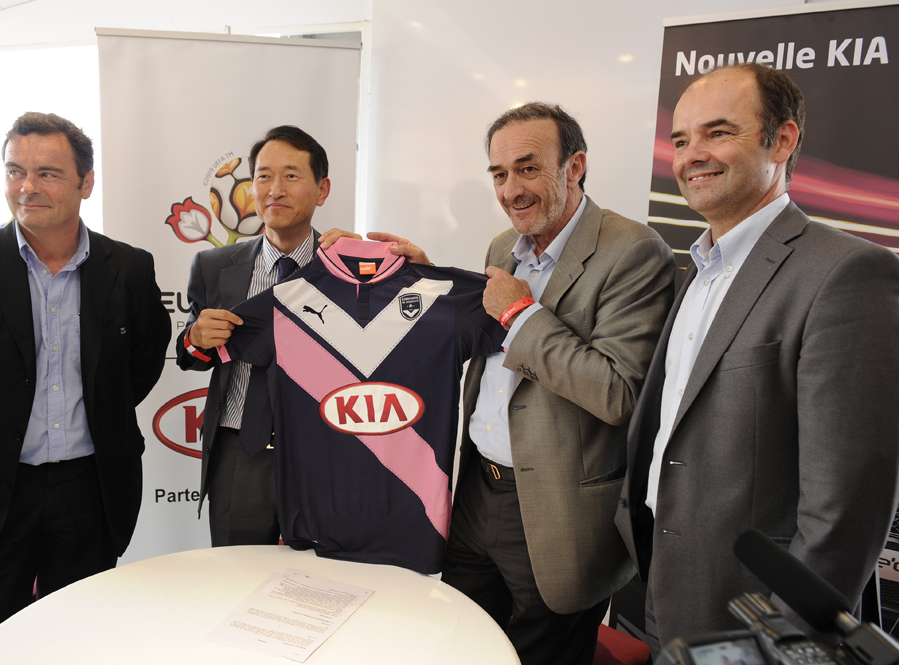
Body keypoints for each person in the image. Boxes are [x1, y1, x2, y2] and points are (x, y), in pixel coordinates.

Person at [614, 63, 899, 652]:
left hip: (753, 610)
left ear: (783, 140)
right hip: (660, 577)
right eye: (681, 140)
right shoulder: (696, 267)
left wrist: (784, 639)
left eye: (718, 132)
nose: (692, 155)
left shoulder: (847, 273)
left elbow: (846, 506)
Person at [380, 102, 675, 664]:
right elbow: (484, 335)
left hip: (556, 508)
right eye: (499, 173)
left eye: (528, 168)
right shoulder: (502, 248)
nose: (511, 189)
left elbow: (620, 392)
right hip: (476, 491)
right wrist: (427, 279)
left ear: (575, 166)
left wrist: (521, 315)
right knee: (459, 645)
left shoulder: (634, 252)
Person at [0, 112, 171, 661]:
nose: (27, 187)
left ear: (85, 183)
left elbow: (138, 369)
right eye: (15, 171)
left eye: (47, 173)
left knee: (78, 637)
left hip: (89, 487)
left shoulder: (129, 269)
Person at [175, 125, 358, 546]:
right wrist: (196, 338)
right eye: (263, 176)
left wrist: (365, 272)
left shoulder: (350, 268)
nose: (275, 190)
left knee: (322, 577)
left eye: (291, 176)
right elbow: (188, 356)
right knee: (236, 574)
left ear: (322, 189)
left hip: (327, 449)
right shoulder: (214, 266)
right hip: (241, 450)